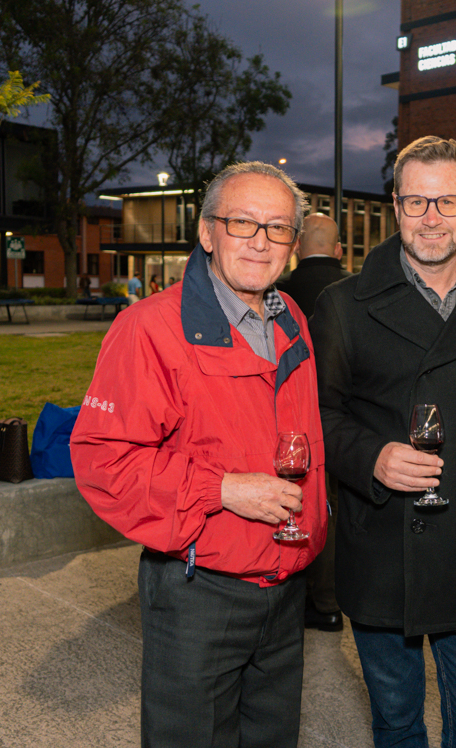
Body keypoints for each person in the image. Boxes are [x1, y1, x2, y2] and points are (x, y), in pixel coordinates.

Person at [70, 161, 328, 748]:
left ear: (293, 244)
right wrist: (222, 488)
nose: (260, 241)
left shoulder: (291, 319)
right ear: (208, 232)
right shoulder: (149, 328)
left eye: (278, 228)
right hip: (201, 593)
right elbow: (104, 463)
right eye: (242, 222)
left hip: (286, 586)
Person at [311, 135, 456, 748]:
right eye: (416, 202)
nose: (432, 218)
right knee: (398, 722)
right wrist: (371, 457)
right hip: (382, 546)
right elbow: (316, 415)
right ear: (396, 206)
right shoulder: (344, 305)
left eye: (447, 202)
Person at [277, 212, 350, 632]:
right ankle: (329, 600)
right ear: (338, 250)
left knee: (294, 502)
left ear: (297, 249)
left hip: (290, 418)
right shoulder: (356, 290)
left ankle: (297, 593)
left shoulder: (278, 291)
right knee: (334, 505)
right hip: (346, 418)